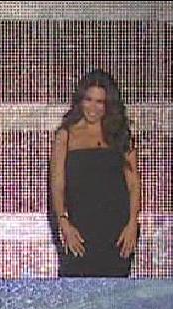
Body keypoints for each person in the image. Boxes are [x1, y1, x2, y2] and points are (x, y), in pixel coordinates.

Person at [50, 69, 141, 277]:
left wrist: (132, 224)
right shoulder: (66, 135)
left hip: (117, 231)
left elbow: (134, 183)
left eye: (100, 102)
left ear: (108, 104)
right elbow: (57, 184)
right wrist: (64, 222)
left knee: (114, 290)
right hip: (79, 231)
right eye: (88, 100)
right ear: (80, 100)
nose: (93, 108)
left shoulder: (119, 134)